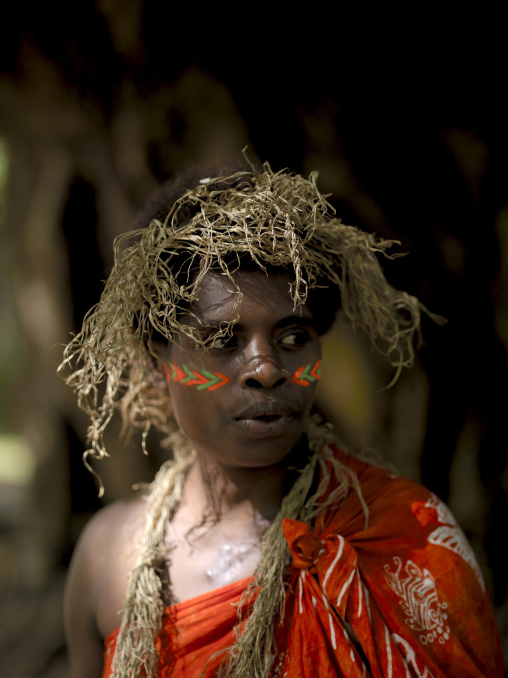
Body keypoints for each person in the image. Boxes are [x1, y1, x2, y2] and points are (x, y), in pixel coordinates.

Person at [62, 159, 504, 678]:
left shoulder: (406, 538)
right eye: (222, 341)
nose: (266, 369)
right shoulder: (107, 558)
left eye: (293, 337)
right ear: (160, 366)